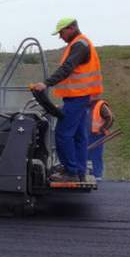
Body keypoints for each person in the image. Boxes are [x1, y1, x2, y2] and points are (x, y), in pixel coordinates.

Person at [32, 17, 103, 182]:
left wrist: (46, 83)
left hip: (77, 97)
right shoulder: (80, 44)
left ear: (71, 28)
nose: (60, 37)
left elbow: (67, 68)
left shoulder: (80, 45)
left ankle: (70, 172)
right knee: (79, 136)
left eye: (61, 32)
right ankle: (79, 170)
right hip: (79, 97)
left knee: (63, 134)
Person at [88, 98, 114, 181]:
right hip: (87, 134)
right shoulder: (87, 104)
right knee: (86, 154)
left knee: (96, 155)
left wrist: (103, 129)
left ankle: (97, 174)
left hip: (97, 135)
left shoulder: (100, 105)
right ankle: (89, 173)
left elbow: (110, 117)